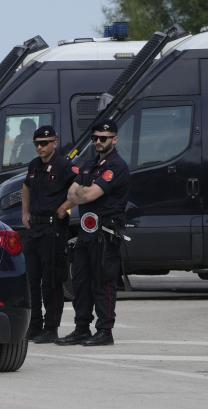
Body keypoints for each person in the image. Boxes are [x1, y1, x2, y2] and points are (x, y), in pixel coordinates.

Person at [56, 119, 130, 347]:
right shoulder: (89, 165)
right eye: (95, 138)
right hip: (87, 234)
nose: (98, 142)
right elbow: (71, 193)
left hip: (105, 233)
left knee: (103, 282)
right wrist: (82, 192)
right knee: (81, 282)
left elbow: (87, 196)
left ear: (114, 139)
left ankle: (104, 331)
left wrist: (82, 192)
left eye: (103, 138)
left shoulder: (116, 166)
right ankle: (81, 328)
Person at [20, 125, 72, 343]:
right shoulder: (34, 166)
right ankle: (34, 326)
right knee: (32, 279)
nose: (40, 148)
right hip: (35, 228)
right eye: (37, 144)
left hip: (53, 229)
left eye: (44, 143)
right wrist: (25, 212)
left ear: (55, 142)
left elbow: (78, 189)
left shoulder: (64, 165)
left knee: (51, 281)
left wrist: (65, 208)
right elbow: (26, 187)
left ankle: (51, 328)